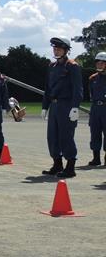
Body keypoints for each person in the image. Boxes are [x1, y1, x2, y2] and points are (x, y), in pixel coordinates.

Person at [41, 37, 83, 178]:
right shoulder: (51, 67)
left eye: (59, 48)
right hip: (54, 105)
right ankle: (57, 164)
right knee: (52, 136)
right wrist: (45, 107)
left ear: (66, 50)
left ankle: (70, 167)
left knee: (66, 136)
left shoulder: (72, 66)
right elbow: (47, 88)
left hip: (67, 105)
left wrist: (75, 107)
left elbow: (78, 88)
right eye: (54, 48)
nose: (56, 50)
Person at [88, 52, 106, 167]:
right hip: (95, 108)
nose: (99, 65)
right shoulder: (92, 78)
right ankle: (96, 158)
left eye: (102, 63)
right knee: (94, 132)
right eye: (97, 63)